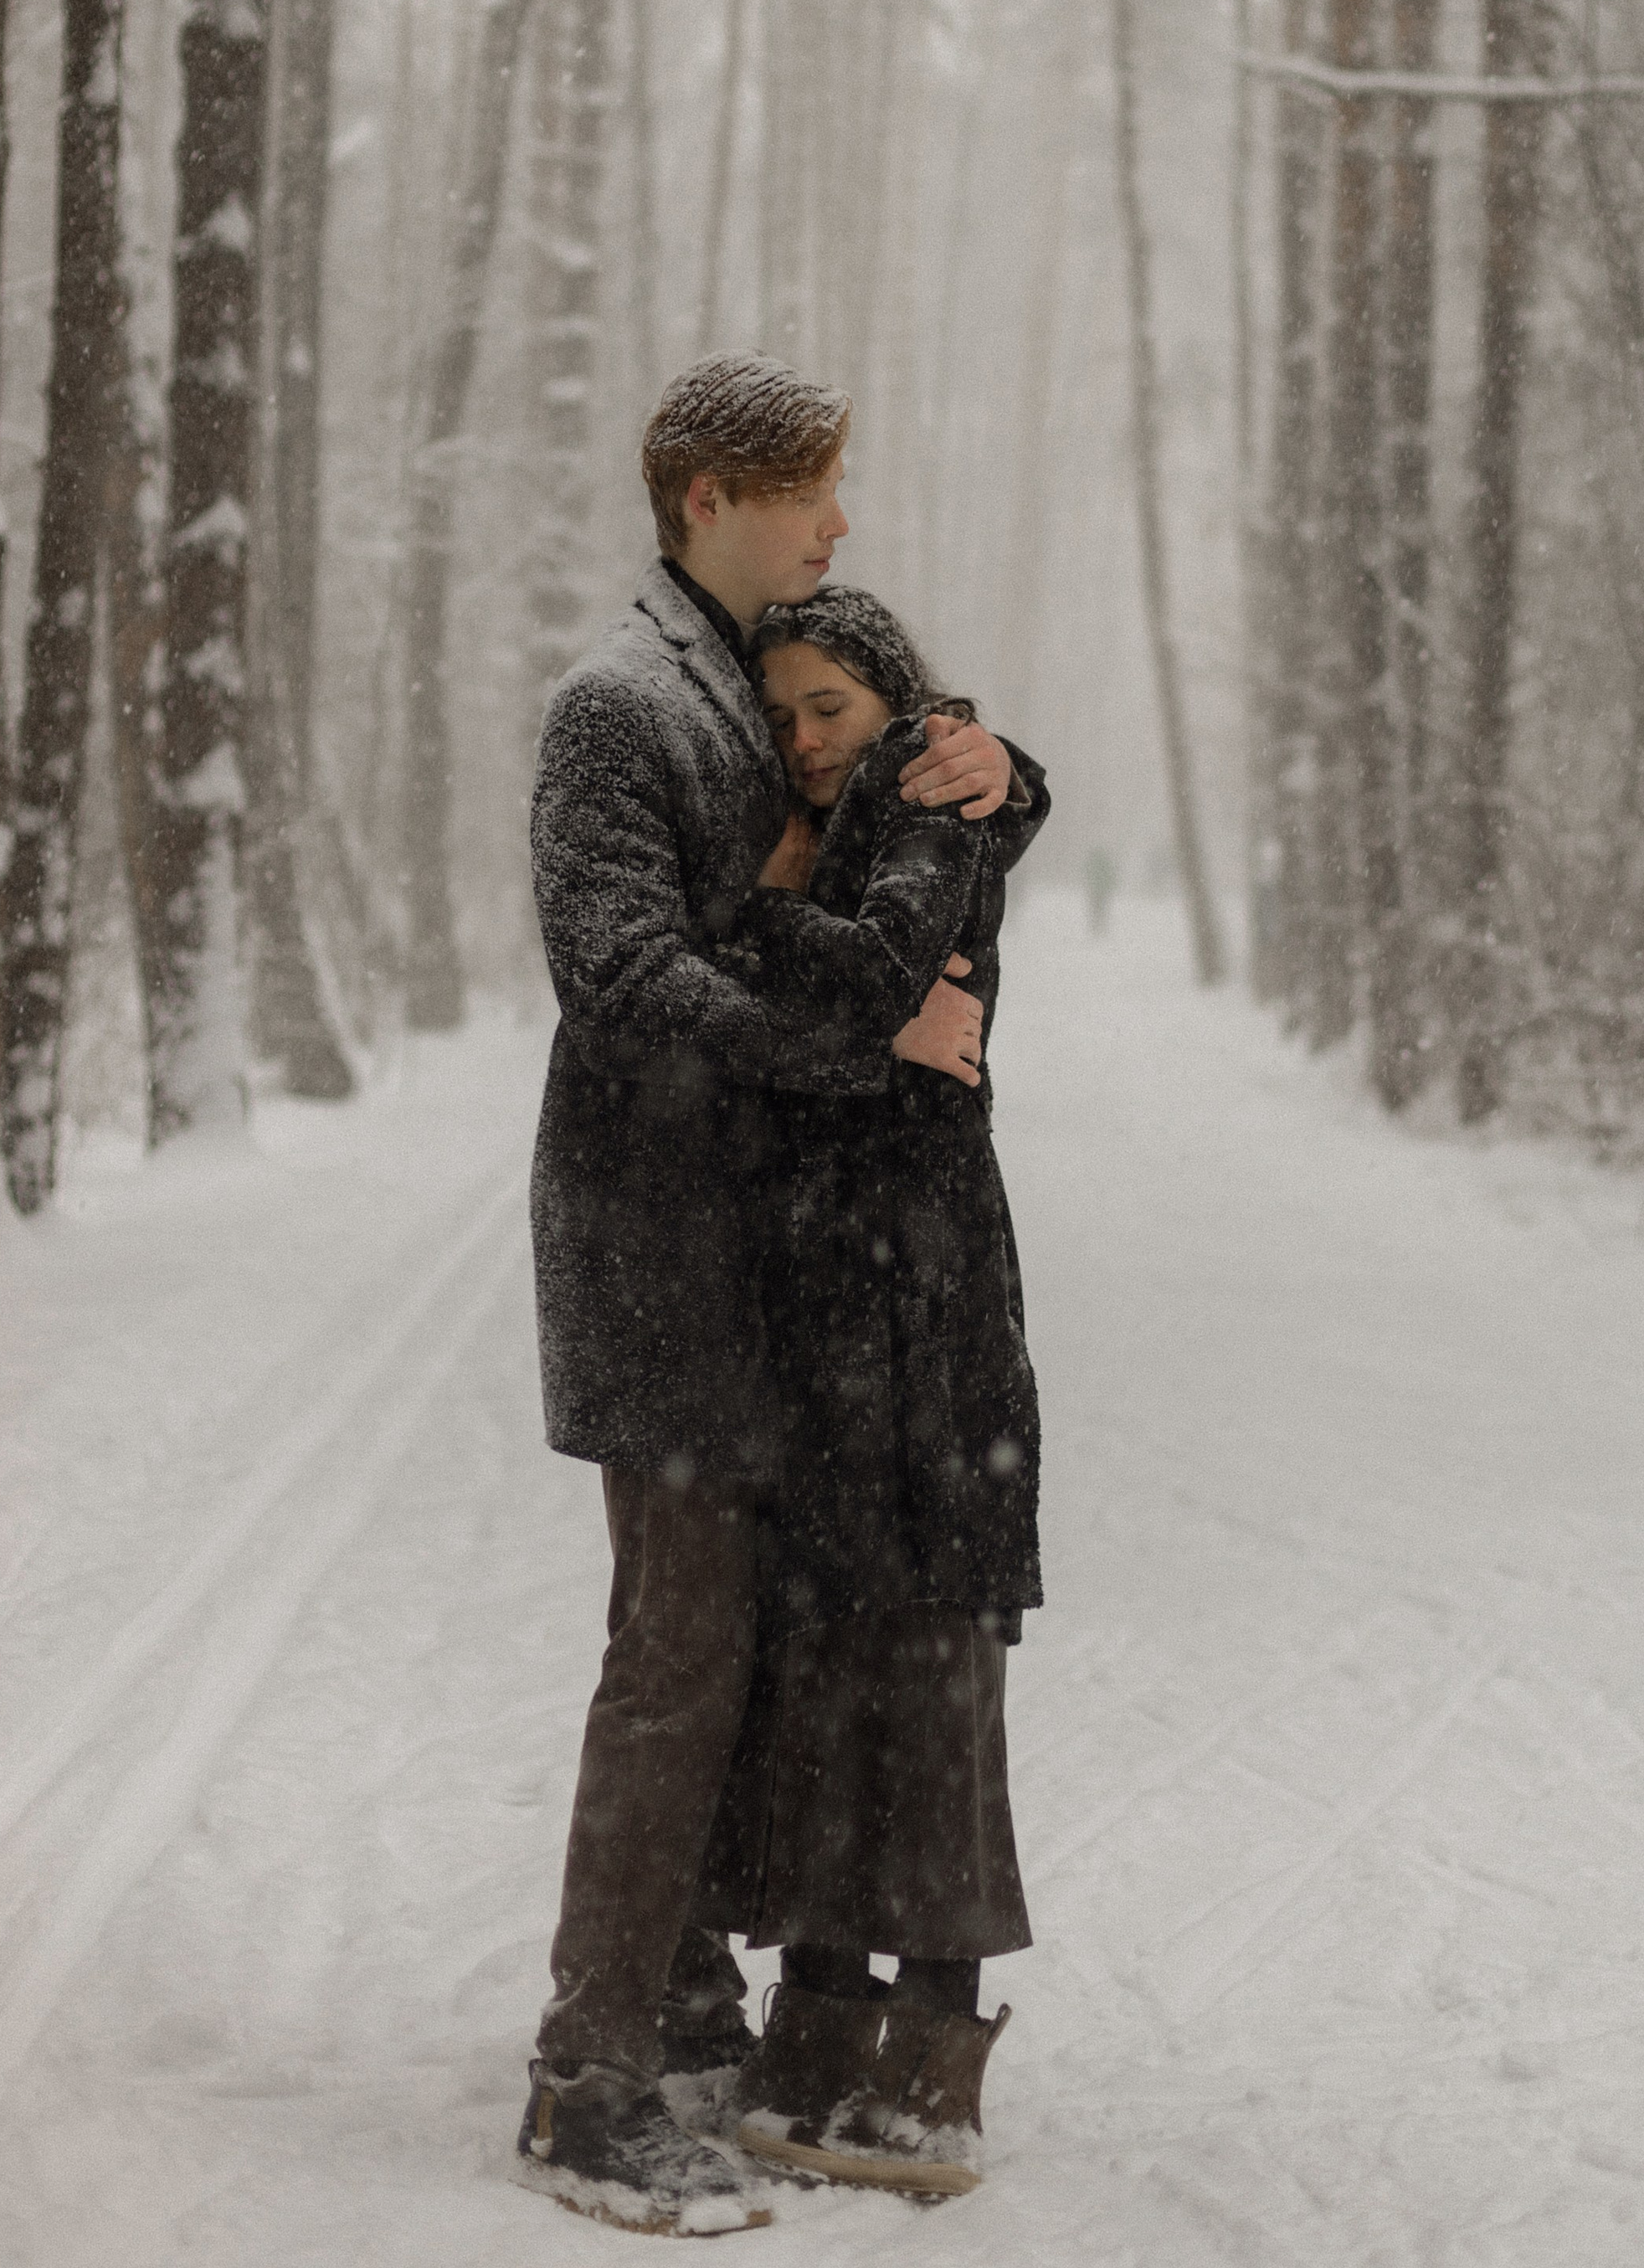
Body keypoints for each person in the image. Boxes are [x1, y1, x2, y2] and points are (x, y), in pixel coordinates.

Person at [514, 357, 1045, 2239]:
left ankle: (674, 2014)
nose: (834, 524)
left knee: (737, 1649)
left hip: (763, 1274)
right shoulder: (618, 706)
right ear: (708, 498)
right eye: (809, 493)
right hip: (654, 1258)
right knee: (675, 1662)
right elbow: (625, 975)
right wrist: (869, 1040)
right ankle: (586, 2084)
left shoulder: (740, 688)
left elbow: (885, 778)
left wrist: (995, 768)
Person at [680, 588, 1045, 2201]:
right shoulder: (888, 799)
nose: (806, 739)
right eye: (786, 716)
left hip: (931, 1302)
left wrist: (740, 910)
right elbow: (859, 995)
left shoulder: (924, 789)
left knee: (938, 1660)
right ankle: (819, 2028)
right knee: (835, 1655)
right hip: (829, 1311)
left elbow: (891, 957)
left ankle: (934, 2071)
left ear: (895, 701)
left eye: (830, 704)